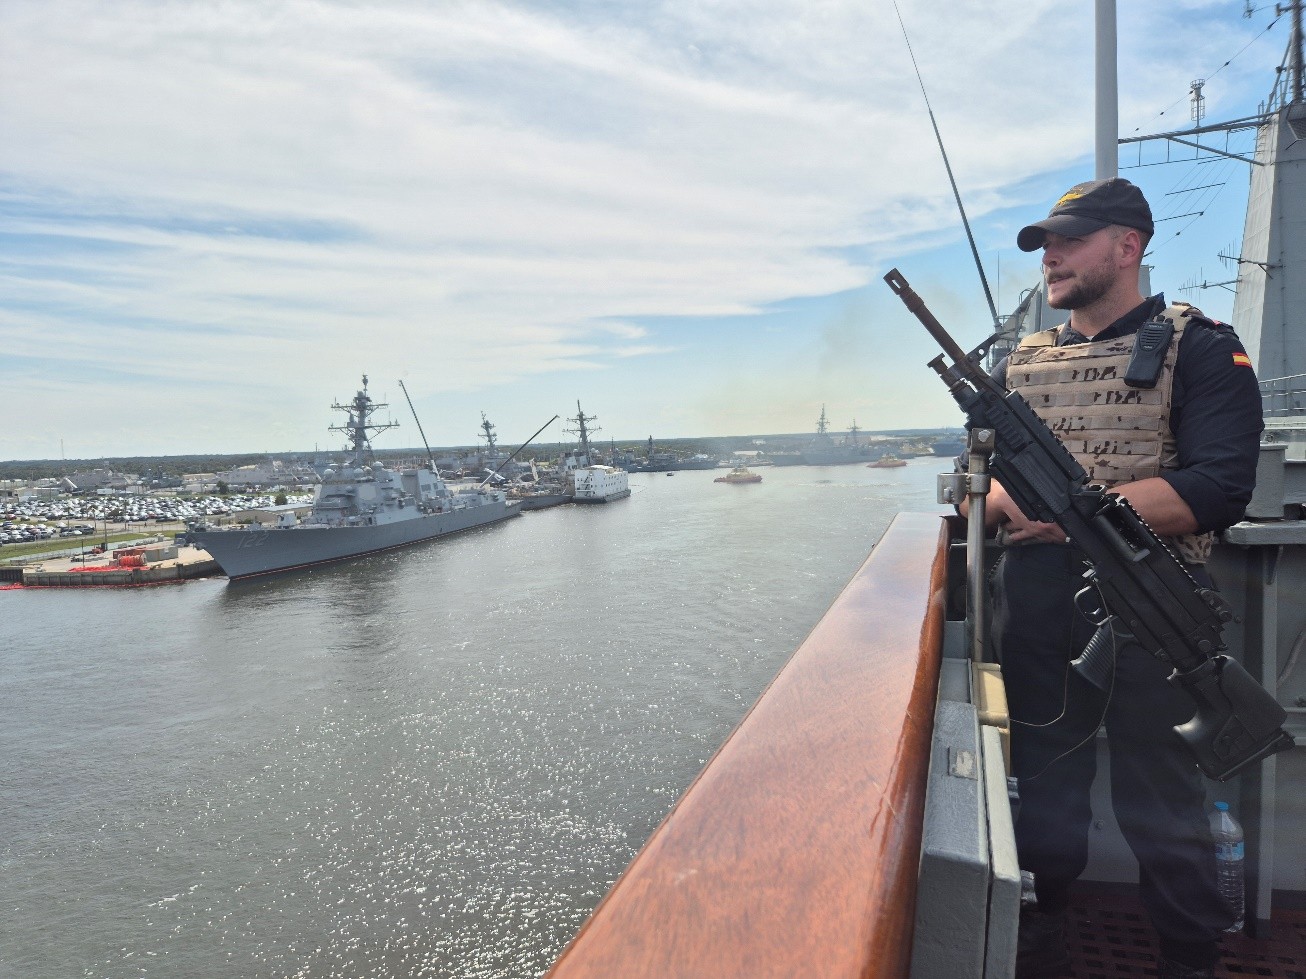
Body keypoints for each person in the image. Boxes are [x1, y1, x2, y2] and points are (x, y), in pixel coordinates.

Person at [965, 178, 1263, 979]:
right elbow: (987, 480)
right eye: (1043, 246)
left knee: (1161, 797)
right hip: (1036, 602)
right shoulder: (1023, 363)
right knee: (1045, 782)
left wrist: (1080, 514)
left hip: (1149, 601)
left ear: (1127, 246)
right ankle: (1046, 927)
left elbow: (1218, 486)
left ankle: (1189, 957)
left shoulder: (1200, 348)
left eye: (1069, 240)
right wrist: (1000, 503)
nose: (1050, 258)